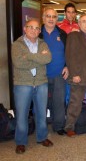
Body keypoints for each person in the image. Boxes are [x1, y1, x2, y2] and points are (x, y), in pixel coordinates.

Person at [12, 20, 53, 154]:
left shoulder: (43, 43)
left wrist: (28, 57)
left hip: (41, 83)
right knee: (22, 115)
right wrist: (37, 59)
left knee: (41, 113)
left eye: (37, 28)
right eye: (31, 27)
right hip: (23, 84)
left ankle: (42, 137)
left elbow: (47, 59)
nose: (34, 30)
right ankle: (21, 142)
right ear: (25, 28)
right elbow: (18, 63)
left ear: (39, 31)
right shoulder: (17, 45)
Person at [39, 8, 68, 135]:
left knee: (59, 101)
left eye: (54, 17)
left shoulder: (62, 34)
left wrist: (67, 66)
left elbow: (68, 52)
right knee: (42, 102)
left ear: (57, 19)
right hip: (41, 75)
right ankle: (41, 126)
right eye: (48, 16)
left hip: (59, 74)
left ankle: (58, 126)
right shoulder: (37, 34)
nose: (51, 19)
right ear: (43, 18)